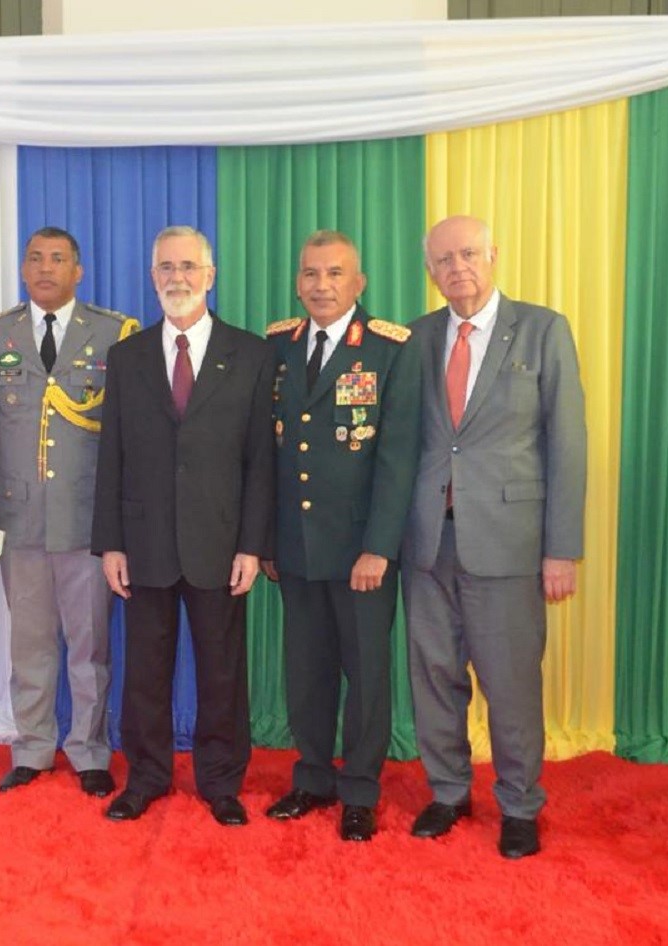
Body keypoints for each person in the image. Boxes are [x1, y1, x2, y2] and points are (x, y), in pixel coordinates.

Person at [403, 215, 586, 859]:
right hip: (426, 543)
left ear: (494, 256)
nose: (459, 267)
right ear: (431, 270)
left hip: (510, 543)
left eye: (470, 254)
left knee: (509, 682)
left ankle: (518, 804)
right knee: (433, 675)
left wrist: (561, 548)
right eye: (445, 259)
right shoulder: (418, 338)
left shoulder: (542, 329)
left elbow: (567, 444)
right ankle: (448, 792)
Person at [91, 226, 275, 826]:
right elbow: (111, 455)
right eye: (166, 267)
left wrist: (252, 544)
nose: (178, 277)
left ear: (210, 275)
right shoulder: (127, 357)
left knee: (222, 670)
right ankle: (145, 777)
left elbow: (259, 462)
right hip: (143, 544)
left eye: (190, 266)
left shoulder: (250, 355)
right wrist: (110, 542)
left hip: (220, 544)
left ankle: (221, 782)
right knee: (145, 668)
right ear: (152, 277)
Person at [261, 230, 421, 842]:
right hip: (296, 546)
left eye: (334, 274)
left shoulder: (388, 349)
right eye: (310, 274)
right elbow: (268, 455)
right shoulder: (280, 345)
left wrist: (379, 546)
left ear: (359, 283)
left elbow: (398, 458)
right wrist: (270, 541)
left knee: (366, 673)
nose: (320, 285)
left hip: (361, 550)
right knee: (307, 669)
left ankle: (359, 788)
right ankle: (311, 778)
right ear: (298, 282)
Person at [0, 227, 139, 798]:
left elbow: (127, 434)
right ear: (23, 267)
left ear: (79, 270)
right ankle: (34, 748)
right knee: (30, 645)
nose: (46, 268)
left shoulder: (114, 334)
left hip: (87, 522)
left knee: (90, 649)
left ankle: (90, 752)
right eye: (36, 258)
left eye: (59, 259)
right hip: (20, 522)